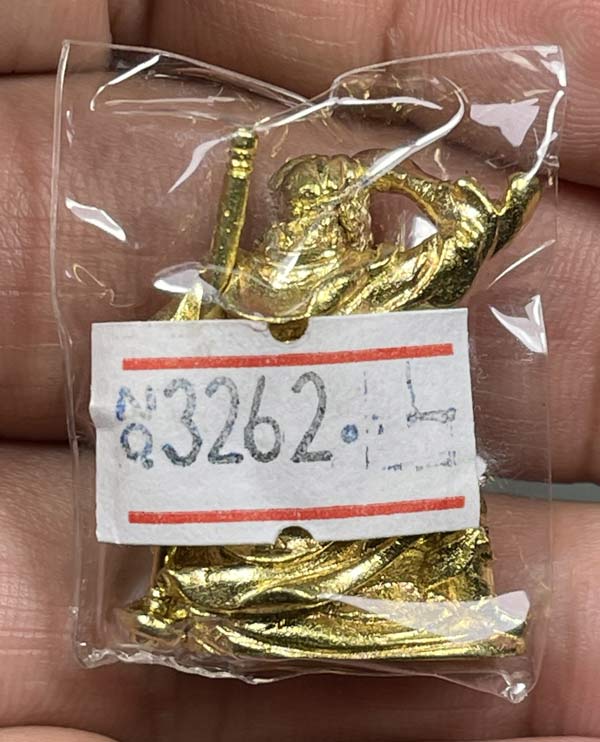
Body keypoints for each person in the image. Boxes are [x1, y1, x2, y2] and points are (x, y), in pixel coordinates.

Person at [0, 1, 599, 741]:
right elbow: (174, 365)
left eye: (331, 207)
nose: (313, 220)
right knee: (212, 565)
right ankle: (240, 604)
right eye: (305, 205)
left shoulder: (382, 287)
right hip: (250, 526)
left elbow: (478, 230)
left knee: (416, 544)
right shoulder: (234, 293)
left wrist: (404, 184)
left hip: (366, 517)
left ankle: (359, 607)